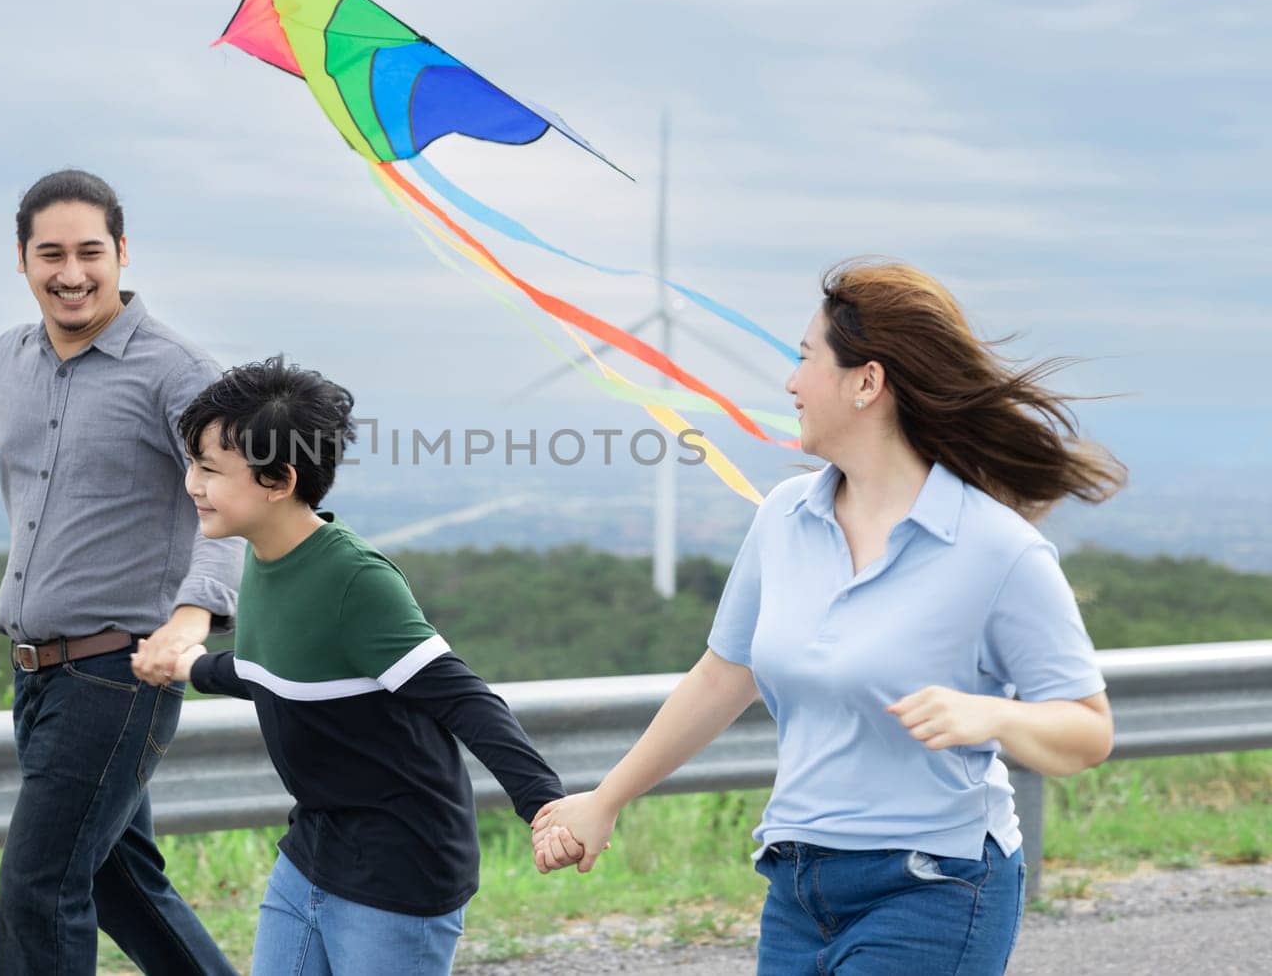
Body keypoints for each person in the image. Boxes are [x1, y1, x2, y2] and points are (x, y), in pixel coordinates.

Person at [531, 259, 1125, 975]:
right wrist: (608, 798)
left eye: (805, 357)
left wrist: (993, 717)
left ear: (865, 382)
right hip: (796, 885)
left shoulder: (996, 549)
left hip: (933, 885)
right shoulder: (784, 516)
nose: (790, 382)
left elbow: (1089, 730)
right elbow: (724, 675)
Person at [0, 169, 244, 975]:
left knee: (37, 890)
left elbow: (230, 495)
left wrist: (194, 616)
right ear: (21, 260)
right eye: (50, 253)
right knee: (121, 885)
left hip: (119, 673)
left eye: (90, 251)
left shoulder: (176, 370)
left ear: (122, 253)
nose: (71, 272)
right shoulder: (12, 357)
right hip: (40, 678)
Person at [148, 356, 569, 976]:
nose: (192, 484)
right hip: (313, 850)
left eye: (209, 469)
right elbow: (272, 669)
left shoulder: (355, 581)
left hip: (401, 869)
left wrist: (543, 804)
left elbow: (465, 699)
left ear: (278, 480)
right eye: (192, 463)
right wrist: (190, 666)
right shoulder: (261, 559)